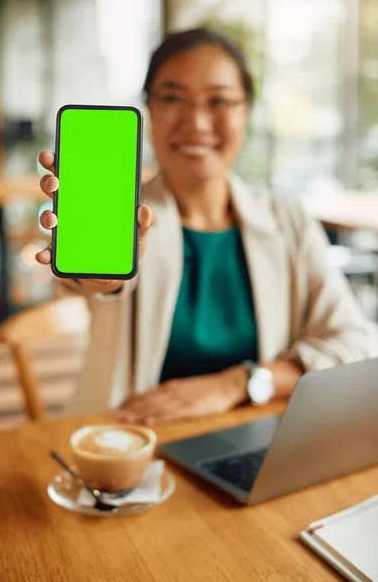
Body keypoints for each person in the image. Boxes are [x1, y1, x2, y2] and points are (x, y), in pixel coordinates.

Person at [36, 28, 377, 424]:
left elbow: (357, 342)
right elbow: (94, 288)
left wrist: (237, 383)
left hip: (259, 437)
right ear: (148, 108)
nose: (196, 122)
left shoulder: (288, 220)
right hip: (130, 442)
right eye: (173, 98)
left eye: (219, 100)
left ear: (245, 111)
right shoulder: (127, 219)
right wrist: (100, 280)